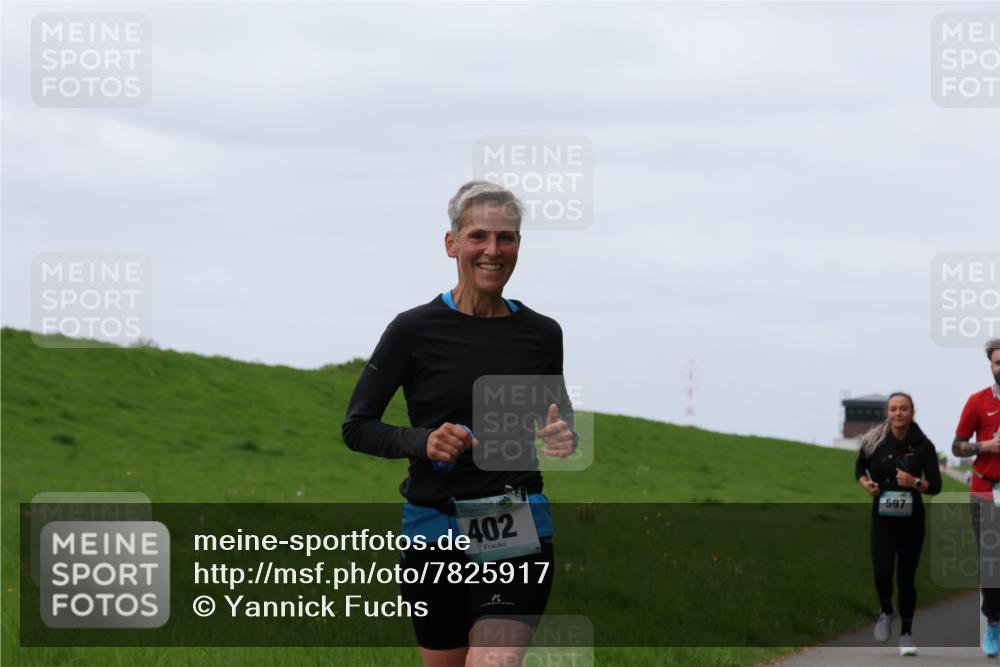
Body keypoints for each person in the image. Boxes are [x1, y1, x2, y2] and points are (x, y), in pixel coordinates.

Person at [342, 180, 576, 667]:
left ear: (518, 246)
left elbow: (557, 417)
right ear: (452, 244)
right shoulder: (412, 330)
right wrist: (423, 441)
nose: (493, 250)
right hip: (431, 530)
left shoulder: (541, 334)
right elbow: (358, 426)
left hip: (512, 525)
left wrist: (563, 436)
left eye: (506, 238)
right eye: (478, 236)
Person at [855, 392, 942, 657]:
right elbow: (859, 469)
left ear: (912, 412)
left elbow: (935, 486)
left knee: (906, 578)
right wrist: (866, 484)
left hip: (911, 521)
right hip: (882, 519)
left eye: (903, 409)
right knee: (882, 571)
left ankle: (906, 633)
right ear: (888, 412)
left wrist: (915, 483)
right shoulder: (874, 441)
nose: (897, 414)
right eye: (893, 409)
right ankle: (885, 611)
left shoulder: (924, 445)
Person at [951, 337, 1000, 657]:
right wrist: (985, 447)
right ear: (992, 365)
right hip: (985, 491)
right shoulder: (977, 401)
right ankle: (993, 622)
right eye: (999, 362)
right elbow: (957, 446)